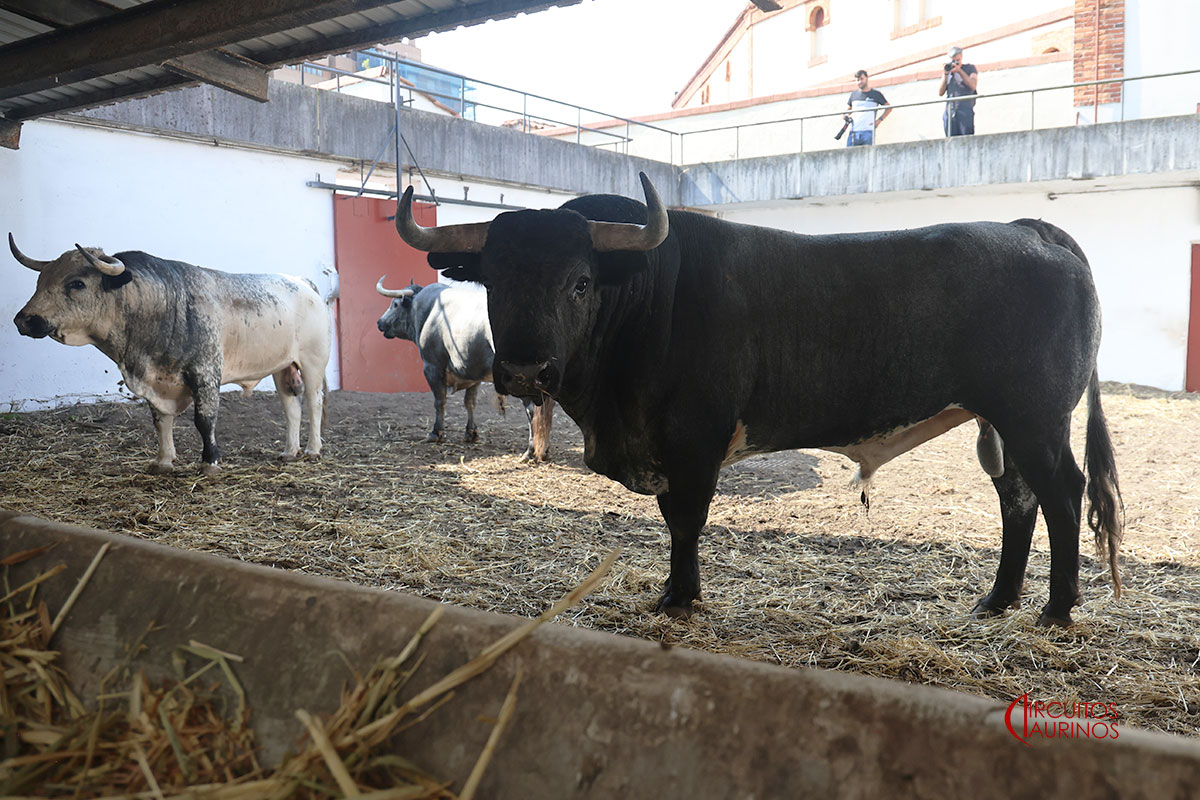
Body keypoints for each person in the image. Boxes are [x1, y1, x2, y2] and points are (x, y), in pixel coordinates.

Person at [844, 69, 891, 147]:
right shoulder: (853, 95)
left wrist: (879, 120)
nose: (860, 82)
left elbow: (889, 108)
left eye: (861, 79)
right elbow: (847, 110)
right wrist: (845, 116)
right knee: (849, 156)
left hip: (868, 131)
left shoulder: (876, 94)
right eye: (857, 80)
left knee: (868, 156)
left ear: (867, 78)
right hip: (854, 132)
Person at [938, 46, 978, 136]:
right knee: (950, 140)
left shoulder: (969, 68)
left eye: (958, 60)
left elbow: (973, 85)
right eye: (953, 60)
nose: (955, 63)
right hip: (950, 111)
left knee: (966, 139)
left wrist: (959, 71)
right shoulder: (949, 71)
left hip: (965, 109)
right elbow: (940, 92)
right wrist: (945, 74)